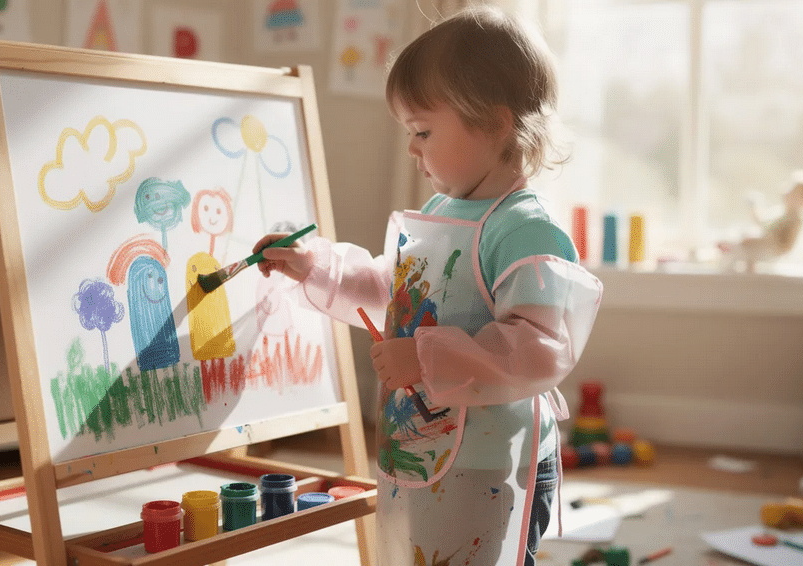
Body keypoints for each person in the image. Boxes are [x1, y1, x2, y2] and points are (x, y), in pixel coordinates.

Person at [254, 6, 602, 565]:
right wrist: (312, 265)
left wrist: (423, 359)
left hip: (493, 459)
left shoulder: (525, 231)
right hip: (424, 443)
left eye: (422, 131)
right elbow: (389, 286)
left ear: (494, 121)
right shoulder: (443, 211)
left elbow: (537, 348)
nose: (413, 149)